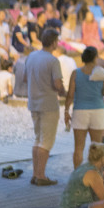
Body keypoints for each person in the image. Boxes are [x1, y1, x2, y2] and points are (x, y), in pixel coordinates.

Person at [25, 28, 65, 185]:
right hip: (48, 104)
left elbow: (24, 79)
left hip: (33, 102)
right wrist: (64, 91)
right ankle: (41, 175)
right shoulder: (53, 60)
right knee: (46, 141)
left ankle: (36, 174)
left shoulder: (31, 56)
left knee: (37, 139)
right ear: (54, 42)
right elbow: (57, 84)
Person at [64, 46, 104, 169]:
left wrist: (66, 110)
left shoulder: (76, 73)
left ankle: (77, 176)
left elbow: (70, 95)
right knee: (96, 147)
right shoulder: (102, 72)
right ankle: (95, 175)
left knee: (78, 148)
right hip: (97, 111)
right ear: (95, 58)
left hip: (80, 111)